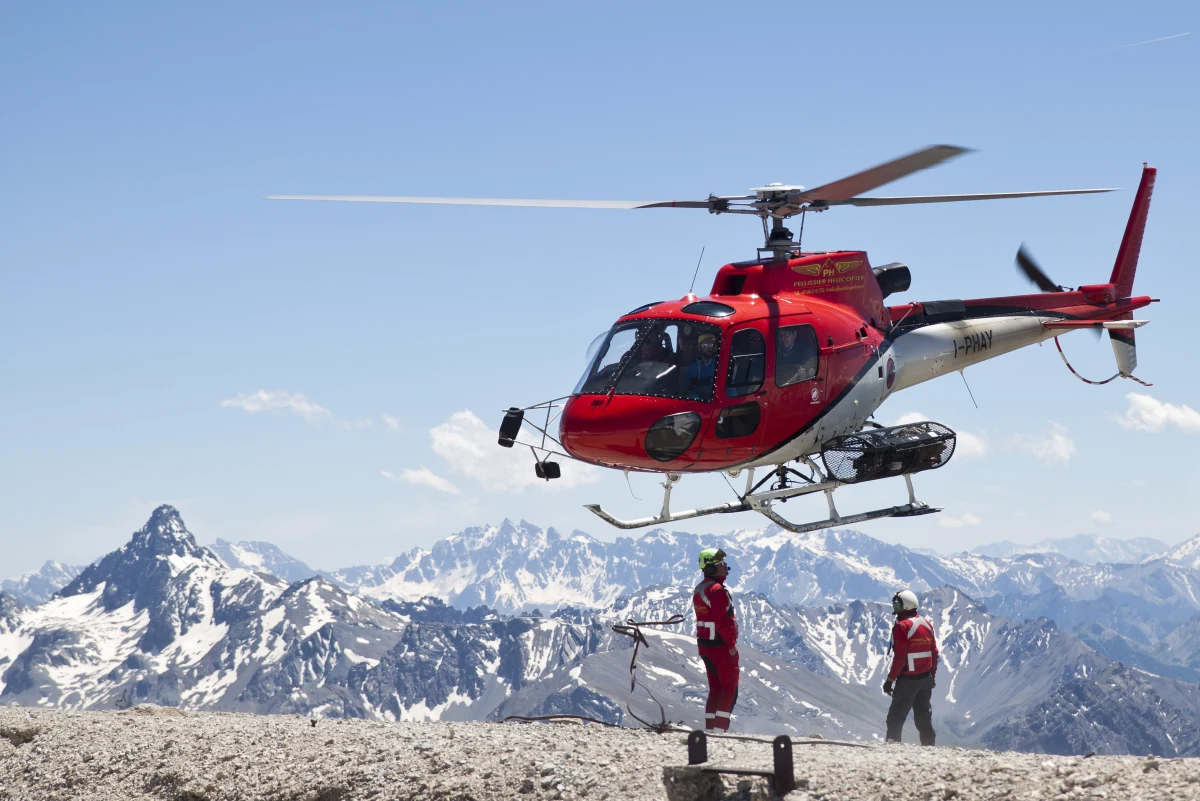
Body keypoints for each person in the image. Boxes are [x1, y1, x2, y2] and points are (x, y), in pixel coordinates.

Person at [883, 589, 938, 746]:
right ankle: (930, 749)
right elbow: (934, 652)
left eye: (897, 604)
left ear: (905, 605)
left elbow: (900, 658)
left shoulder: (902, 626)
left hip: (908, 680)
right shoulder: (926, 624)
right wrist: (932, 676)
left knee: (895, 718)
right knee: (923, 718)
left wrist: (890, 679)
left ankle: (893, 748)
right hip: (925, 678)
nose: (895, 607)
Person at [694, 547, 739, 732]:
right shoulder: (717, 590)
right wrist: (731, 646)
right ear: (711, 568)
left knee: (715, 690)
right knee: (729, 689)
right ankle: (720, 732)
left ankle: (710, 730)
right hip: (721, 647)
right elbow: (722, 622)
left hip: (705, 645)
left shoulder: (700, 589)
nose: (725, 566)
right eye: (721, 564)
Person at [683, 334, 718, 400]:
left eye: (712, 345)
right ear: (699, 347)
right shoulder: (691, 369)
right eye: (705, 345)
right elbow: (685, 392)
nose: (710, 348)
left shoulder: (720, 365)